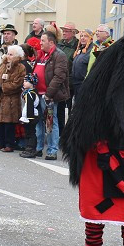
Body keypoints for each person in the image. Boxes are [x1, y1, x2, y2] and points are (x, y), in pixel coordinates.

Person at [62, 36, 124, 246]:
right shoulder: (98, 90)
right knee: (98, 203)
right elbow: (86, 126)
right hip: (100, 154)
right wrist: (103, 150)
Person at [37, 30, 69, 160]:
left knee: (50, 123)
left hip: (48, 96)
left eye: (43, 41)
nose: (40, 43)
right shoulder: (41, 55)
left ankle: (52, 150)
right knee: (38, 122)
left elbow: (59, 76)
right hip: (37, 95)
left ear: (51, 42)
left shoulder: (59, 55)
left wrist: (48, 94)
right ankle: (38, 148)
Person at [0, 45, 27, 152]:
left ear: (17, 56)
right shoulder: (3, 64)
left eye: (11, 54)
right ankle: (0, 143)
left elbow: (18, 83)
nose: (8, 56)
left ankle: (10, 144)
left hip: (11, 99)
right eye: (8, 53)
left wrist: (3, 87)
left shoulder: (20, 67)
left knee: (9, 123)